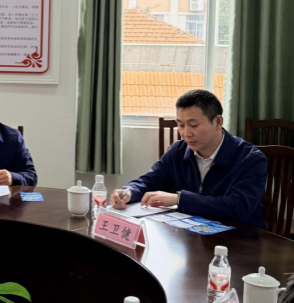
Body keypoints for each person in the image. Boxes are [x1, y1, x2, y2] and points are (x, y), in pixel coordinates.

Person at [109, 89, 267, 228]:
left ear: (218, 122)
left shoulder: (251, 159)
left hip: (240, 238)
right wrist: (129, 191)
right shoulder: (178, 151)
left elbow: (238, 207)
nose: (186, 134)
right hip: (192, 234)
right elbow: (149, 181)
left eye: (193, 125)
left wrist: (179, 199)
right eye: (181, 125)